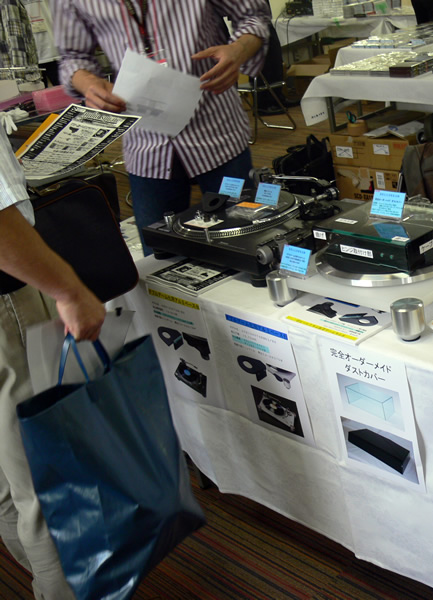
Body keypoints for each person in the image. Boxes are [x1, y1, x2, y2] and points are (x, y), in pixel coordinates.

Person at [52, 0, 272, 254]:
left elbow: (254, 16)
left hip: (216, 128)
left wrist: (238, 50)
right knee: (159, 258)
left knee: (246, 245)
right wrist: (88, 83)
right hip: (146, 141)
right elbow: (73, 57)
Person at [0, 128, 105, 600]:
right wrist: (68, 289)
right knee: (48, 483)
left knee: (10, 479)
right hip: (8, 303)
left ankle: (45, 580)